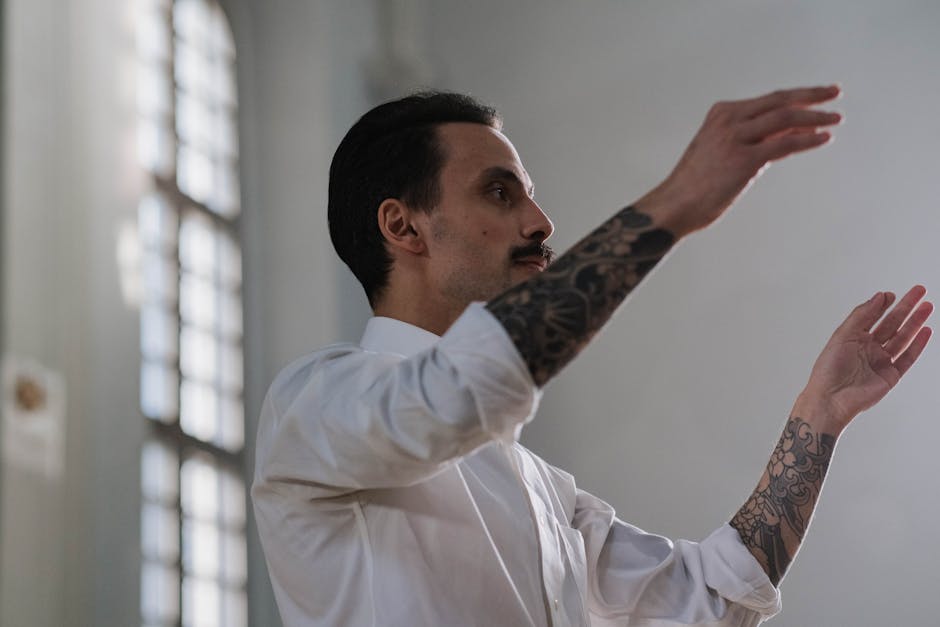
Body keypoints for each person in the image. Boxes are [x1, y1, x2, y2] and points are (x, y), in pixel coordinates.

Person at [252, 86, 932, 626]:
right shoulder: (311, 407)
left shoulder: (546, 491)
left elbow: (709, 601)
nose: (542, 221)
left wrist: (816, 420)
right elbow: (452, 396)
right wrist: (673, 204)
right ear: (402, 226)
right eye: (499, 191)